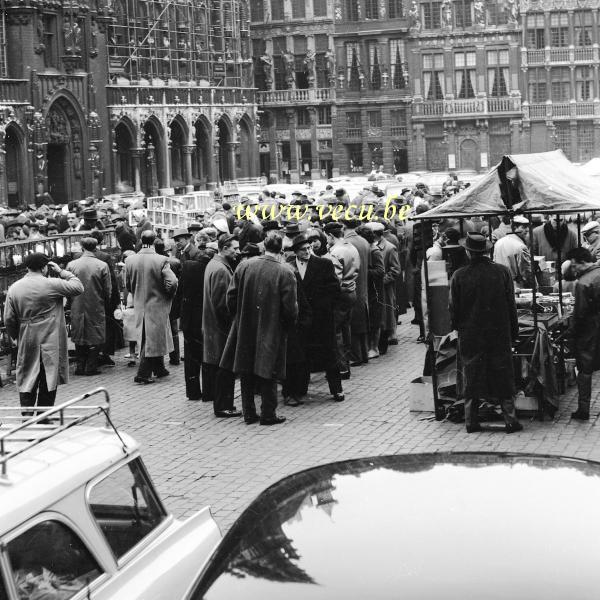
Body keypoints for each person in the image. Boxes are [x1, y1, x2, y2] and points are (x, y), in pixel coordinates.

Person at [221, 231, 298, 425]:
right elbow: (290, 307)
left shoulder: (245, 266)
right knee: (269, 369)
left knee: (246, 369)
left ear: (264, 246)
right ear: (281, 249)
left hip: (245, 325)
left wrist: (238, 317)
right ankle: (268, 413)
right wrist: (287, 325)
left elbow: (231, 297)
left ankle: (249, 412)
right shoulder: (286, 271)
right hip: (272, 326)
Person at [449, 232, 523, 434]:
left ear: (468, 251)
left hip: (471, 334)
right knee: (503, 374)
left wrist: (457, 328)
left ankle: (471, 421)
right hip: (499, 333)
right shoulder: (502, 272)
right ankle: (511, 420)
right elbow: (511, 306)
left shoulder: (459, 275)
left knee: (471, 376)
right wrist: (513, 331)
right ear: (487, 251)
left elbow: (453, 309)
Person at [4, 253, 83, 416]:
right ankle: (43, 416)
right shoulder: (52, 284)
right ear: (44, 267)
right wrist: (61, 271)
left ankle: (26, 416)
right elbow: (78, 286)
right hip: (50, 337)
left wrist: (16, 336)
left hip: (27, 336)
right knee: (49, 375)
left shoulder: (15, 288)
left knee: (27, 375)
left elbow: (9, 319)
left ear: (27, 267)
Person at [125, 230, 178, 384]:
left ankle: (159, 368)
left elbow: (128, 284)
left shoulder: (130, 260)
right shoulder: (161, 260)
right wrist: (168, 294)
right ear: (155, 240)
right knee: (152, 339)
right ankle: (143, 374)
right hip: (157, 304)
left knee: (149, 337)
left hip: (140, 303)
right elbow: (172, 282)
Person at [202, 234, 242, 418]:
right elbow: (222, 305)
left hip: (214, 327)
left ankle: (224, 405)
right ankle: (223, 406)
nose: (238, 252)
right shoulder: (220, 269)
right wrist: (232, 324)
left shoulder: (215, 265)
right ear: (225, 248)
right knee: (224, 369)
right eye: (235, 248)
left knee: (221, 369)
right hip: (220, 329)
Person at [66, 237, 112, 376]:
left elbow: (66, 287)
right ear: (96, 247)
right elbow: (107, 290)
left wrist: (70, 302)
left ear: (82, 247)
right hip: (96, 304)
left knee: (79, 333)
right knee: (96, 334)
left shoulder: (72, 265)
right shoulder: (102, 265)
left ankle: (80, 366)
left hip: (77, 304)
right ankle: (91, 366)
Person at [565, 247, 600, 420]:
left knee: (585, 370)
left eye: (574, 266)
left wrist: (571, 334)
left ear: (583, 263)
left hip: (589, 332)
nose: (573, 270)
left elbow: (579, 314)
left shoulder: (583, 283)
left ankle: (583, 409)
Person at [178, 236, 212, 401]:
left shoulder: (188, 267)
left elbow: (180, 292)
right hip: (206, 318)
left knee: (191, 357)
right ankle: (208, 392)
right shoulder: (213, 268)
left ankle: (192, 392)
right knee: (207, 355)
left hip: (189, 319)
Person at [325, 221, 359, 380]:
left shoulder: (335, 252)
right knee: (346, 330)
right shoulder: (352, 247)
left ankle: (342, 368)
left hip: (341, 294)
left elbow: (335, 279)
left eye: (327, 237)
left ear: (331, 235)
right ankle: (347, 362)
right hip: (352, 290)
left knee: (336, 332)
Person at [344, 217, 370, 366]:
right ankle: (364, 353)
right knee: (362, 321)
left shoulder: (348, 244)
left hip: (353, 285)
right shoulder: (364, 241)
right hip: (363, 286)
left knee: (353, 323)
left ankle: (356, 356)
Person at [492, 215, 533, 290]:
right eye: (523, 227)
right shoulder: (521, 246)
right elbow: (526, 271)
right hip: (516, 286)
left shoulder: (499, 242)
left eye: (527, 227)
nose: (527, 230)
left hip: (500, 284)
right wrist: (534, 286)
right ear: (515, 228)